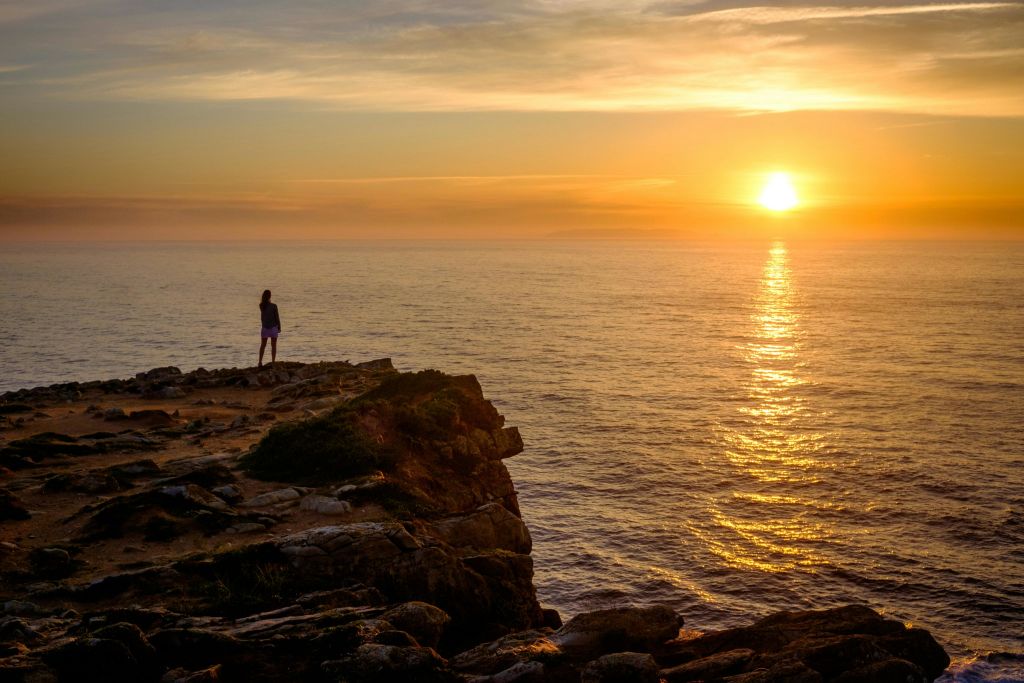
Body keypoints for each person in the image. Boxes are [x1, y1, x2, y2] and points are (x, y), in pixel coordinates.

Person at [258, 289, 282, 367]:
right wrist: (279, 327)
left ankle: (260, 362)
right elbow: (277, 317)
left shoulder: (261, 305)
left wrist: (263, 324)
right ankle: (273, 362)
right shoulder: (274, 306)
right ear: (270, 296)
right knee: (273, 346)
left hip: (265, 327)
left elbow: (263, 318)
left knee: (263, 345)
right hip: (273, 328)